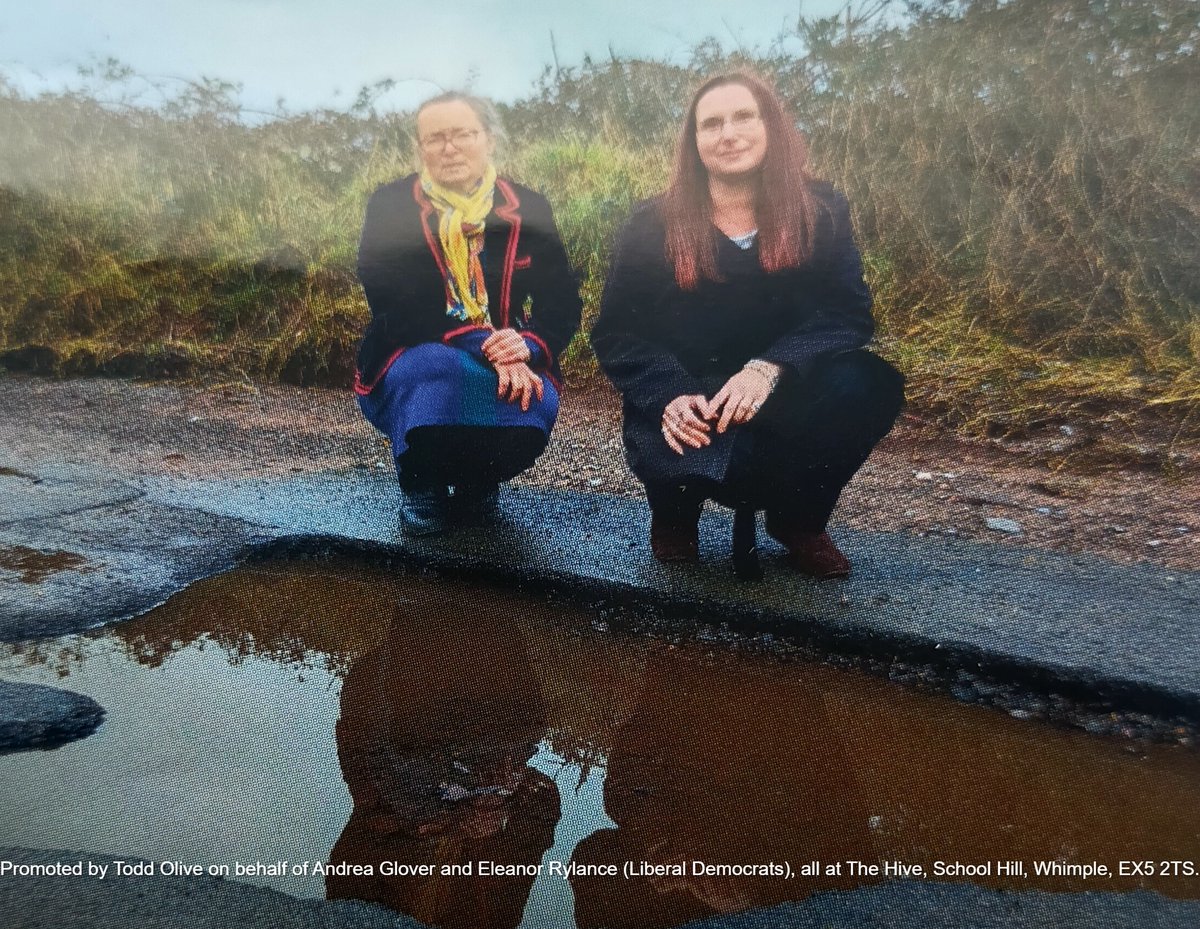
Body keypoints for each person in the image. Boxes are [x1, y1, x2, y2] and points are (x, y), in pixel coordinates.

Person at [591, 73, 904, 578]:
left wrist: (770, 367)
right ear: (693, 143)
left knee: (868, 383)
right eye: (710, 123)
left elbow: (848, 313)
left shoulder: (821, 210)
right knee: (700, 460)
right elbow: (616, 332)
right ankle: (675, 512)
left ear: (770, 127)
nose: (728, 133)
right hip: (693, 395)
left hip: (783, 389)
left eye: (743, 117)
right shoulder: (651, 223)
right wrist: (668, 393)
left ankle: (798, 521)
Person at [354, 92, 581, 534]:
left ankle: (481, 484)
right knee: (437, 372)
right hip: (416, 347)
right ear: (420, 149)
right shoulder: (390, 206)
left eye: (463, 134)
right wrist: (490, 345)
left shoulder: (528, 207)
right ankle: (423, 484)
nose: (449, 147)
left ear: (489, 139)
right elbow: (393, 304)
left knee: (529, 396)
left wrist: (529, 346)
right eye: (435, 138)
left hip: (506, 351)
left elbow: (562, 300)